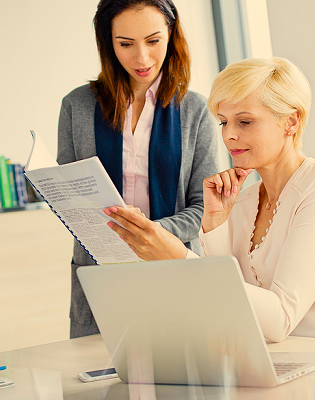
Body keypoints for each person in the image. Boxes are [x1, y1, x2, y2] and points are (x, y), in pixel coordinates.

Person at [103, 57, 315, 345]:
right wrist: (215, 224)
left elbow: (279, 318)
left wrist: (176, 257)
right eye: (224, 122)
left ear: (291, 122)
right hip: (306, 353)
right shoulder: (242, 201)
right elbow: (232, 310)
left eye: (245, 121)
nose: (228, 136)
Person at [57, 0, 219, 338]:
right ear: (108, 42)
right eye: (126, 44)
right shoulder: (77, 106)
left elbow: (203, 207)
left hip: (172, 266)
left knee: (182, 377)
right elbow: (69, 200)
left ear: (171, 35)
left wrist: (147, 234)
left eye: (153, 40)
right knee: (97, 382)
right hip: (101, 272)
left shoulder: (195, 111)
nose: (141, 58)